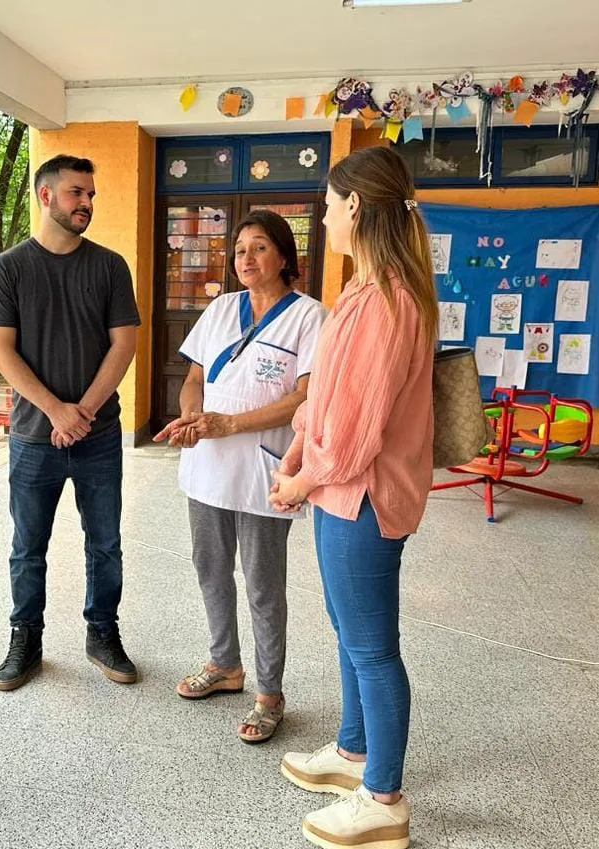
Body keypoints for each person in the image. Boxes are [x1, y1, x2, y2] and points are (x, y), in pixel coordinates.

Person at [269, 146, 438, 849]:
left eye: (330, 204)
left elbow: (357, 431)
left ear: (356, 208)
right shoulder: (369, 293)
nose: (324, 216)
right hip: (341, 494)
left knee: (372, 648)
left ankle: (384, 798)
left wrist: (303, 477)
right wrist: (297, 449)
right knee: (350, 633)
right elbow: (329, 403)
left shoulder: (386, 301)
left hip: (360, 497)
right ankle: (350, 751)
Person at [154, 211, 325, 743]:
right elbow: (195, 378)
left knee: (263, 586)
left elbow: (304, 396)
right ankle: (225, 665)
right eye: (239, 249)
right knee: (210, 569)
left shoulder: (310, 317)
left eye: (258, 248)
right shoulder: (222, 309)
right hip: (207, 468)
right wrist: (191, 416)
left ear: (283, 256)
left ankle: (270, 693)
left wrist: (229, 423)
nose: (245, 259)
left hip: (265, 470)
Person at [0, 154, 140, 691]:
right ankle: (25, 639)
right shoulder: (9, 268)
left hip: (98, 436)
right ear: (45, 196)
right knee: (28, 546)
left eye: (91, 195)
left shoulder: (110, 266)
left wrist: (83, 413)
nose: (87, 204)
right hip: (33, 437)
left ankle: (103, 632)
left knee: (105, 544)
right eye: (77, 193)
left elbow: (125, 344)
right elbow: (1, 351)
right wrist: (55, 410)